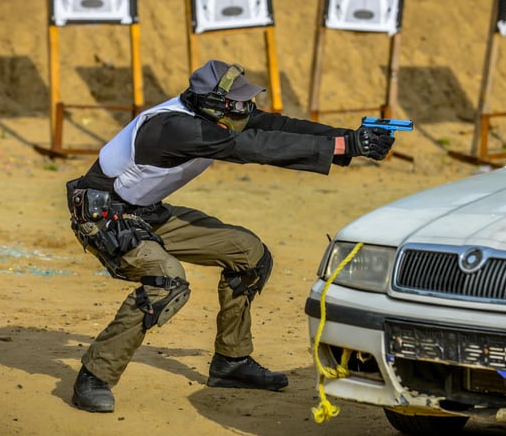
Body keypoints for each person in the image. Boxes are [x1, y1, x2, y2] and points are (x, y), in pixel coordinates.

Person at [65, 59, 395, 413]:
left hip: (145, 212)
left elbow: (275, 125)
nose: (246, 109)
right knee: (167, 282)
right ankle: (94, 376)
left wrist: (349, 137)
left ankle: (231, 361)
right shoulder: (175, 127)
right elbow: (253, 147)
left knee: (249, 255)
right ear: (212, 102)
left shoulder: (215, 115)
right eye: (237, 103)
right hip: (103, 217)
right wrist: (347, 147)